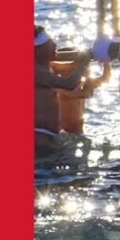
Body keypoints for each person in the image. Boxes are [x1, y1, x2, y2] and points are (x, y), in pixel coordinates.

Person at [34, 26, 89, 154]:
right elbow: (69, 84)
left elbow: (69, 63)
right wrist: (82, 65)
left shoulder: (45, 64)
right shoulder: (36, 71)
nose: (55, 45)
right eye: (49, 45)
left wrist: (90, 54)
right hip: (39, 137)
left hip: (49, 135)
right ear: (37, 51)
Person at [51, 38, 113, 135]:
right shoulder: (57, 88)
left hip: (78, 132)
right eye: (72, 68)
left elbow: (105, 78)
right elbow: (77, 94)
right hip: (62, 133)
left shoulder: (83, 85)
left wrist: (106, 60)